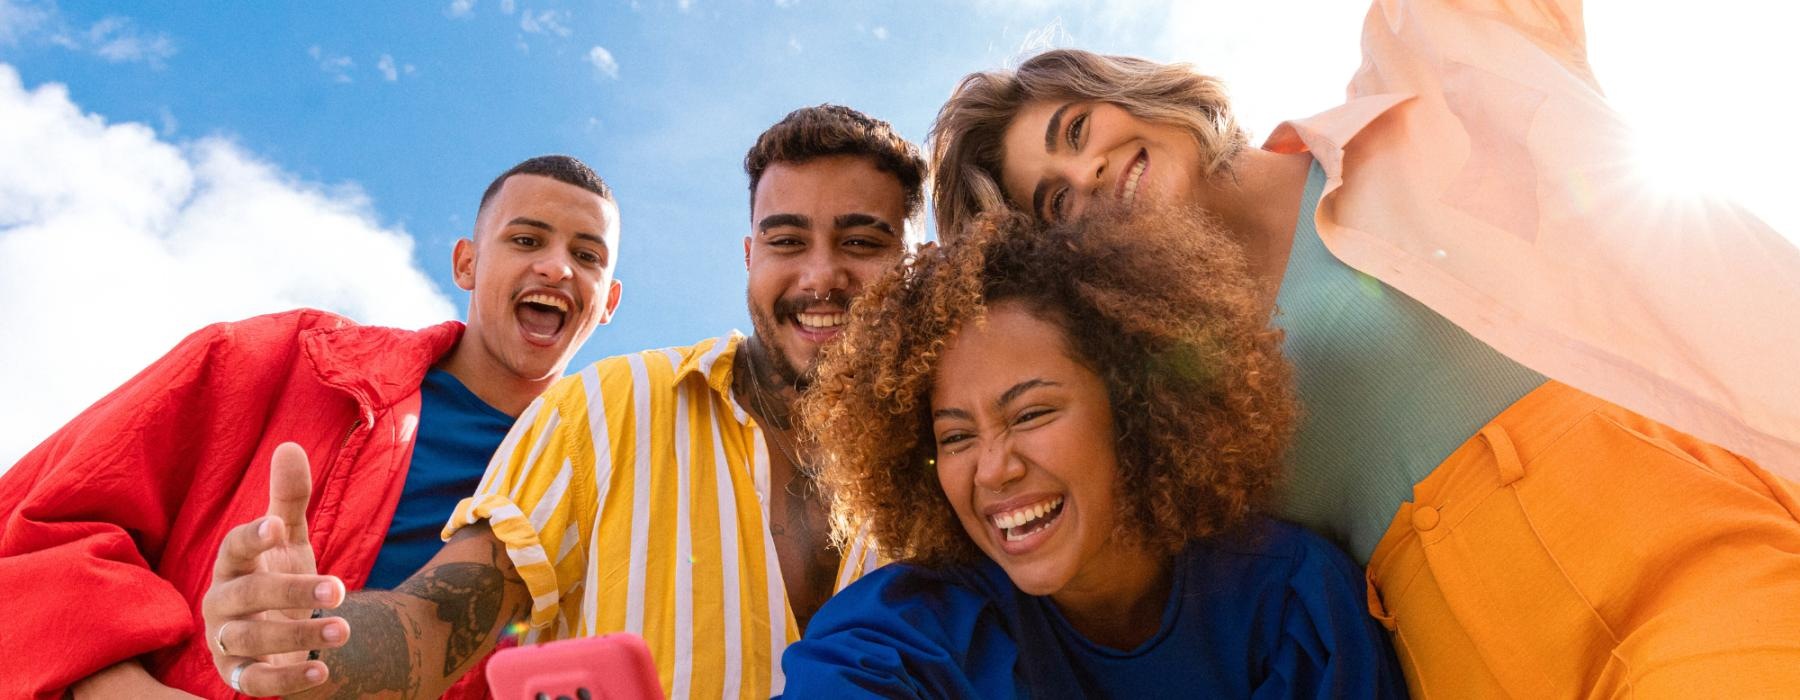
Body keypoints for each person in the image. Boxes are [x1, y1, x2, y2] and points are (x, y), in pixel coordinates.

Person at [924, 2, 1800, 697]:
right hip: (1452, 664)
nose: (1091, 176)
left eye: (1076, 130)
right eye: (1056, 205)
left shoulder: (1420, 91)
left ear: (1134, 90)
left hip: (1679, 568)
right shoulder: (1165, 402)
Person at [201, 104, 925, 698]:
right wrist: (307, 639)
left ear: (913, 263)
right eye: (788, 241)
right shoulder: (610, 406)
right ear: (749, 258)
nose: (820, 275)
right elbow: (439, 617)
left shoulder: (950, 473)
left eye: (861, 242)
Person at [0, 155, 625, 699]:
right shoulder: (284, 360)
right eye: (525, 241)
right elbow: (44, 524)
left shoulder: (606, 480)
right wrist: (121, 690)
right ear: (466, 262)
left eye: (586, 255)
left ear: (609, 303)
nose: (556, 268)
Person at [782, 207, 1406, 697]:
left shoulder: (1294, 605)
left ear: (1134, 406)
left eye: (1031, 413)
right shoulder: (908, 631)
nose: (994, 468)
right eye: (956, 438)